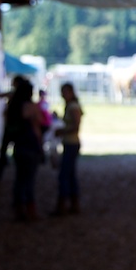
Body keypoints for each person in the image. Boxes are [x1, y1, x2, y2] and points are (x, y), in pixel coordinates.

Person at [7, 80, 44, 221]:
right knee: (29, 180)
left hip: (18, 146)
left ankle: (18, 209)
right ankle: (30, 210)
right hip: (30, 146)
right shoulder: (31, 107)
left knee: (19, 179)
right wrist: (40, 146)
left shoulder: (12, 107)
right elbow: (37, 127)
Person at [50, 82, 83, 216]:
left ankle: (62, 205)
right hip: (69, 143)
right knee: (70, 175)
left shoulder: (73, 106)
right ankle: (73, 203)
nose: (62, 95)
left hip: (71, 143)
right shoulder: (70, 106)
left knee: (64, 175)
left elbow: (76, 126)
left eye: (64, 92)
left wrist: (62, 131)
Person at [0, 75, 27, 182]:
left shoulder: (14, 95)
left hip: (11, 128)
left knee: (5, 152)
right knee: (12, 153)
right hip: (16, 129)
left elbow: (0, 95)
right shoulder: (22, 97)